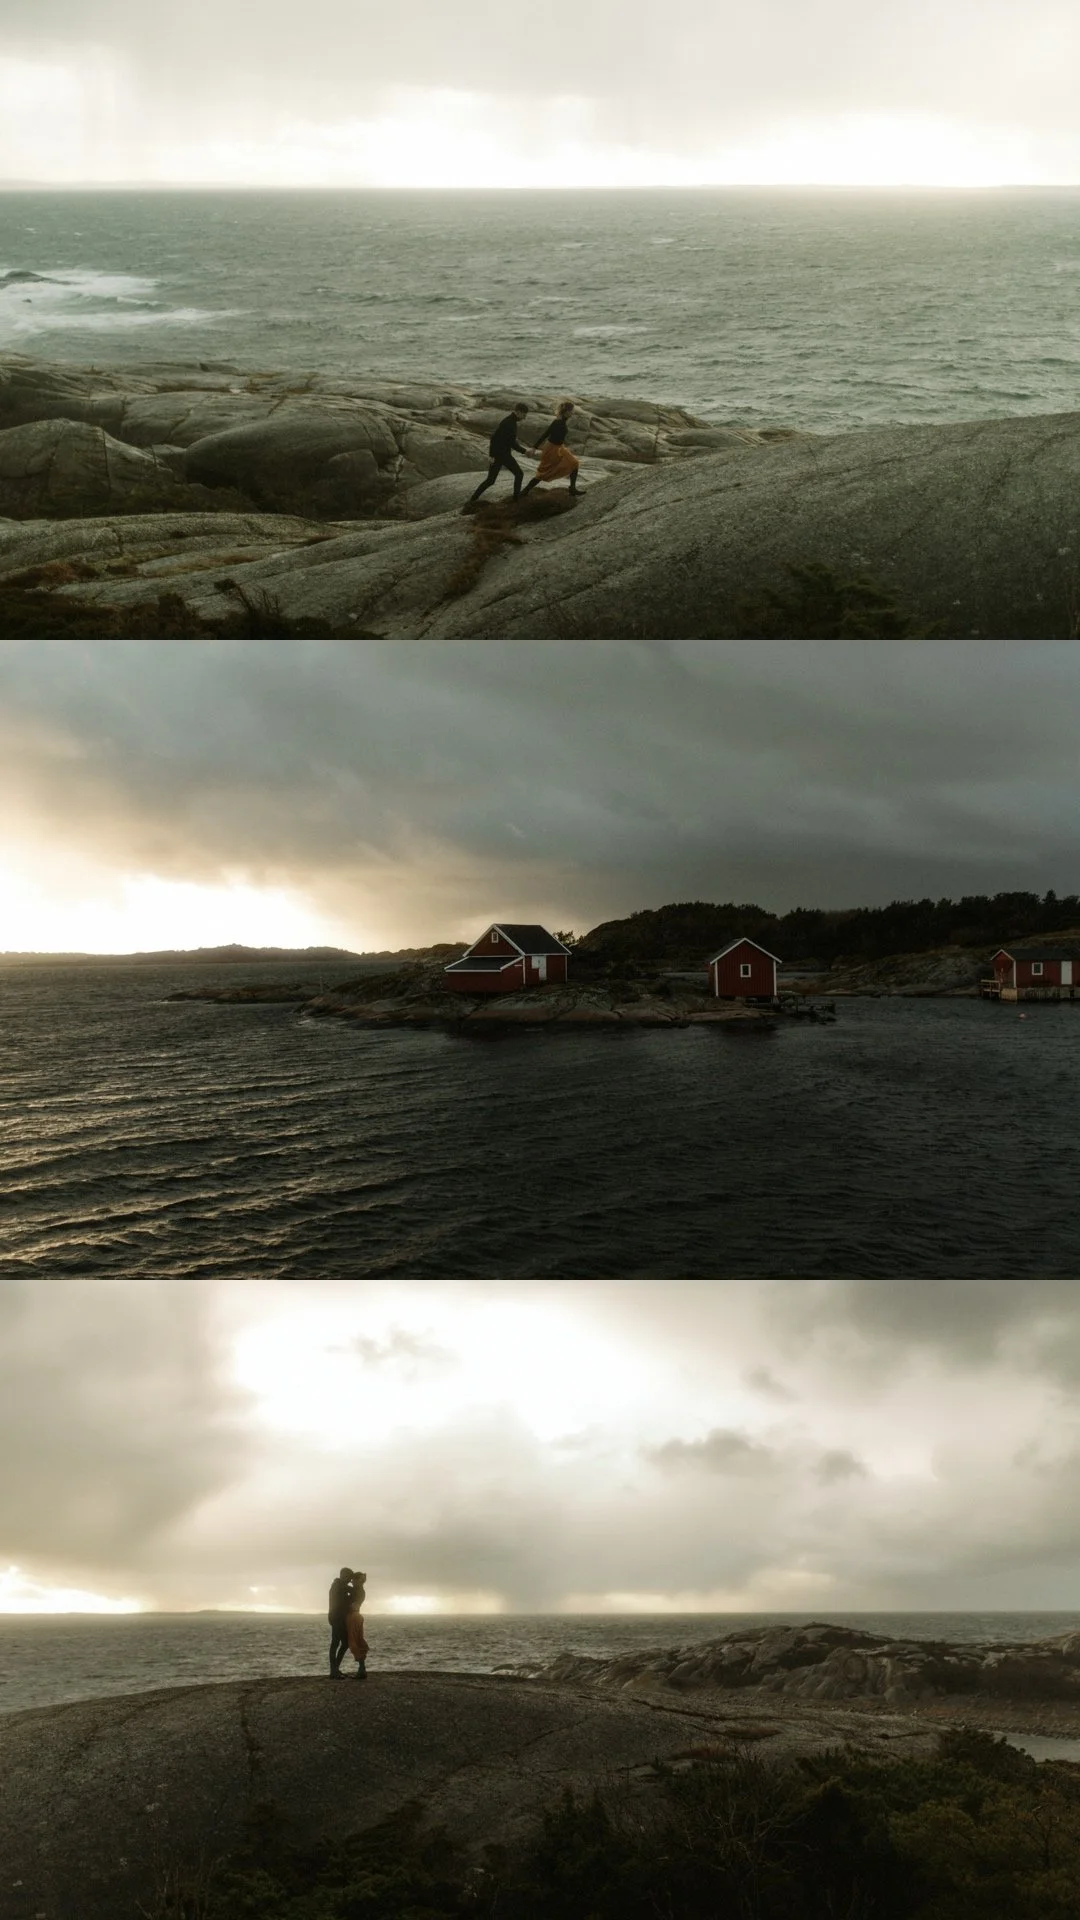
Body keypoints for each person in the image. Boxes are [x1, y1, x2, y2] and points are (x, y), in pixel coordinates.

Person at [466, 402, 533, 507]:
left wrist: (491, 455)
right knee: (519, 474)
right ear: (518, 412)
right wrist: (525, 451)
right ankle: (516, 500)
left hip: (499, 454)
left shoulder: (509, 421)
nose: (524, 418)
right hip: (503, 455)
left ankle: (472, 500)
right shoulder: (509, 423)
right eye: (524, 415)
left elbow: (494, 438)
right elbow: (511, 443)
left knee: (490, 480)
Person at [521, 399, 582, 498]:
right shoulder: (558, 422)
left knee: (574, 463)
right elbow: (546, 434)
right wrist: (534, 448)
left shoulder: (562, 421)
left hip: (560, 448)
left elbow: (558, 436)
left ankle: (572, 489)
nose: (573, 413)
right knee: (544, 473)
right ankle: (525, 491)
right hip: (551, 449)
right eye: (571, 411)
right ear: (566, 412)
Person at [327, 1566, 354, 1678]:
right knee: (336, 1644)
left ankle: (335, 1670)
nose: (350, 1580)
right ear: (343, 1575)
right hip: (337, 1618)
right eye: (349, 1578)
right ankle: (334, 1671)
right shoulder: (338, 1586)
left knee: (341, 1643)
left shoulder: (339, 1585)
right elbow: (350, 1594)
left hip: (337, 1618)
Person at [346, 1570, 369, 1680]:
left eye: (353, 1580)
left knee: (353, 1641)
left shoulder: (356, 1590)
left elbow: (351, 1604)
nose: (351, 1582)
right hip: (358, 1616)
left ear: (356, 1580)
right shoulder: (361, 1591)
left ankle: (361, 1669)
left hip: (353, 1616)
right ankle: (362, 1668)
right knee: (359, 1640)